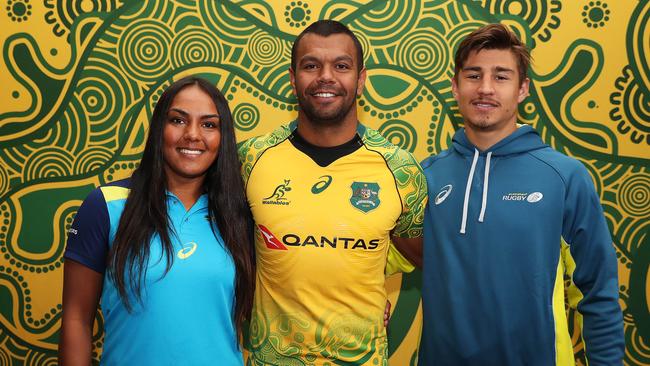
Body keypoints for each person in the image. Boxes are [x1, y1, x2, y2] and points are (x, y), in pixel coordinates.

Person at [419, 24, 624, 365]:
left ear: (522, 89)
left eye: (501, 77)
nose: (485, 88)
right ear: (455, 87)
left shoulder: (565, 177)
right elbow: (378, 255)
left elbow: (597, 292)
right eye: (473, 75)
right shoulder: (426, 177)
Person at [238, 20, 427, 365]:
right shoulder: (250, 159)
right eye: (311, 66)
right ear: (293, 79)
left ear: (361, 79)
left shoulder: (401, 171)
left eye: (341, 66)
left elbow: (422, 256)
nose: (326, 76)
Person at [58, 76, 255, 365]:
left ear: (222, 138)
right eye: (178, 120)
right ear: (158, 128)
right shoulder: (106, 205)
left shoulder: (240, 215)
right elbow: (76, 319)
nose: (192, 134)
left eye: (209, 124)